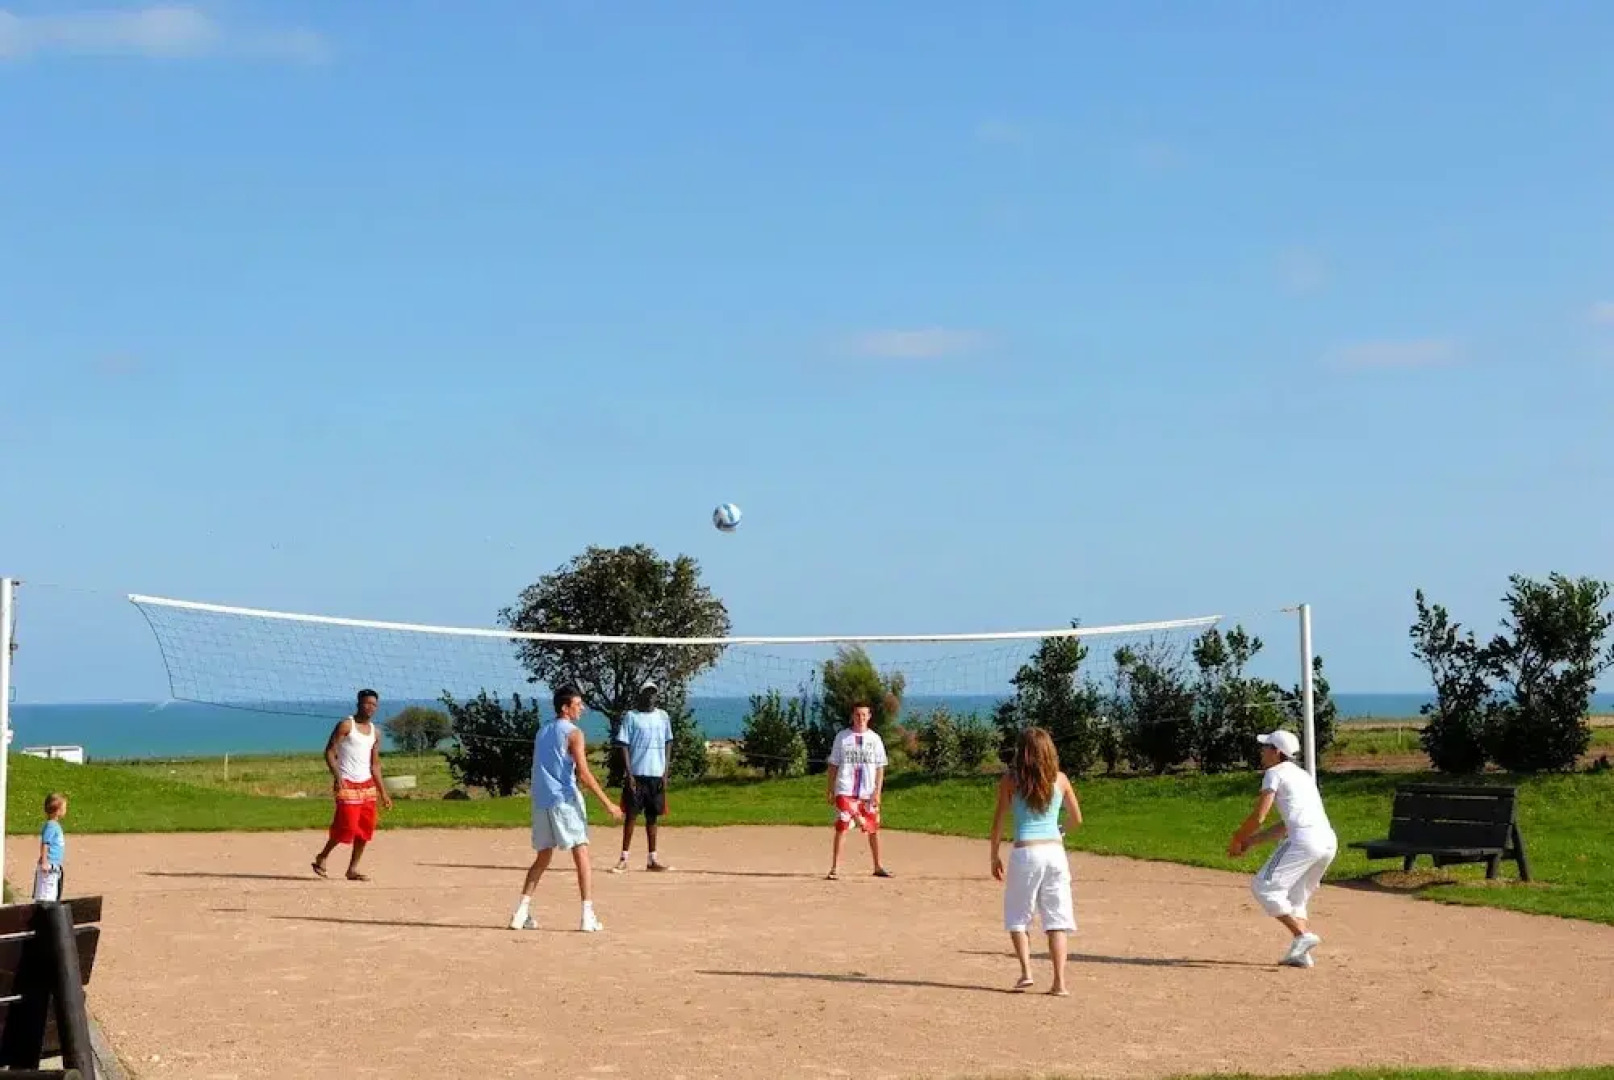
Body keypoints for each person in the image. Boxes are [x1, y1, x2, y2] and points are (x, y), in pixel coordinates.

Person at [510, 685, 623, 933]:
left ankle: (520, 913)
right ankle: (587, 916)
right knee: (581, 854)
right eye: (577, 704)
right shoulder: (574, 733)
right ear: (565, 707)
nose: (582, 708)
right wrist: (608, 803)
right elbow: (583, 773)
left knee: (543, 857)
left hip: (541, 802)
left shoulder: (542, 731)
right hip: (564, 801)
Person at [1227, 729, 1338, 968]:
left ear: (1276, 752)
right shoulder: (1303, 776)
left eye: (1266, 747)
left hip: (1304, 841)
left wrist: (1237, 838)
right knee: (1297, 896)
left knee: (1263, 886)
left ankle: (1302, 935)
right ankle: (1300, 953)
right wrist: (1250, 842)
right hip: (1327, 841)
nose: (1262, 751)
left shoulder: (1274, 773)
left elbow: (1259, 816)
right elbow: (1285, 825)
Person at [990, 727, 1082, 996]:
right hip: (1054, 852)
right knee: (1056, 918)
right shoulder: (1060, 779)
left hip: (1026, 852)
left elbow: (998, 821)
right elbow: (1077, 819)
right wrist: (1060, 831)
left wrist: (994, 855)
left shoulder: (1011, 781)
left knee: (1018, 915)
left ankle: (1026, 973)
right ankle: (1059, 982)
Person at [312, 689, 392, 881]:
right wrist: (337, 776)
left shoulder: (375, 732)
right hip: (347, 783)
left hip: (367, 785)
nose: (370, 707)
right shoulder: (346, 725)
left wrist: (383, 792)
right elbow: (330, 752)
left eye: (374, 704)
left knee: (365, 829)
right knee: (346, 826)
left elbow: (375, 764)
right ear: (358, 704)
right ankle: (323, 856)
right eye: (367, 703)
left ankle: (352, 869)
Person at [610, 682, 674, 873]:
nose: (650, 697)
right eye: (647, 693)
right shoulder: (632, 717)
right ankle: (623, 858)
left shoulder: (663, 716)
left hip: (656, 775)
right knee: (631, 816)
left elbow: (668, 742)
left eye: (653, 693)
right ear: (641, 695)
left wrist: (665, 771)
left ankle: (652, 859)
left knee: (652, 817)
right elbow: (623, 745)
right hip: (637, 774)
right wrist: (629, 773)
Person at [825, 701, 892, 880]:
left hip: (867, 791)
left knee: (873, 828)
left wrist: (877, 791)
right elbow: (833, 764)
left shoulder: (875, 739)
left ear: (869, 716)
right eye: (857, 714)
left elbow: (880, 767)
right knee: (842, 825)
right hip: (845, 789)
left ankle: (878, 865)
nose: (860, 718)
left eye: (864, 715)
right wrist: (830, 788)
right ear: (852, 716)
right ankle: (835, 868)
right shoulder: (842, 737)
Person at [34, 792, 68, 902]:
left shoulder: (54, 825)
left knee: (53, 894)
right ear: (58, 810)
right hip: (49, 866)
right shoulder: (51, 826)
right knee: (46, 896)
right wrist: (44, 861)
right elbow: (45, 843)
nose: (65, 810)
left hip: (54, 865)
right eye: (64, 808)